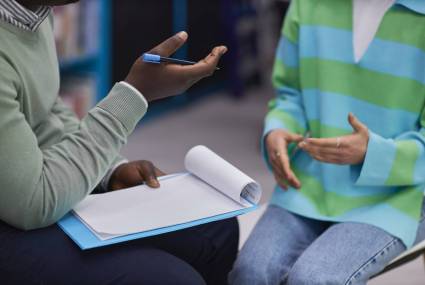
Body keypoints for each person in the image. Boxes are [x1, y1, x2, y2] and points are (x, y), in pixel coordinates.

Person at [0, 0, 238, 284]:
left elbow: (45, 111)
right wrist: (135, 94)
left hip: (26, 186)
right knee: (172, 279)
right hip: (20, 208)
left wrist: (108, 171)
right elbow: (32, 203)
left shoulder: (32, 13)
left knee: (216, 228)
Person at [229, 0, 425, 284]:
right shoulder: (308, 5)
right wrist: (278, 130)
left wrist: (373, 153)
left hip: (400, 196)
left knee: (313, 279)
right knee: (251, 272)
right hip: (310, 185)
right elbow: (290, 94)